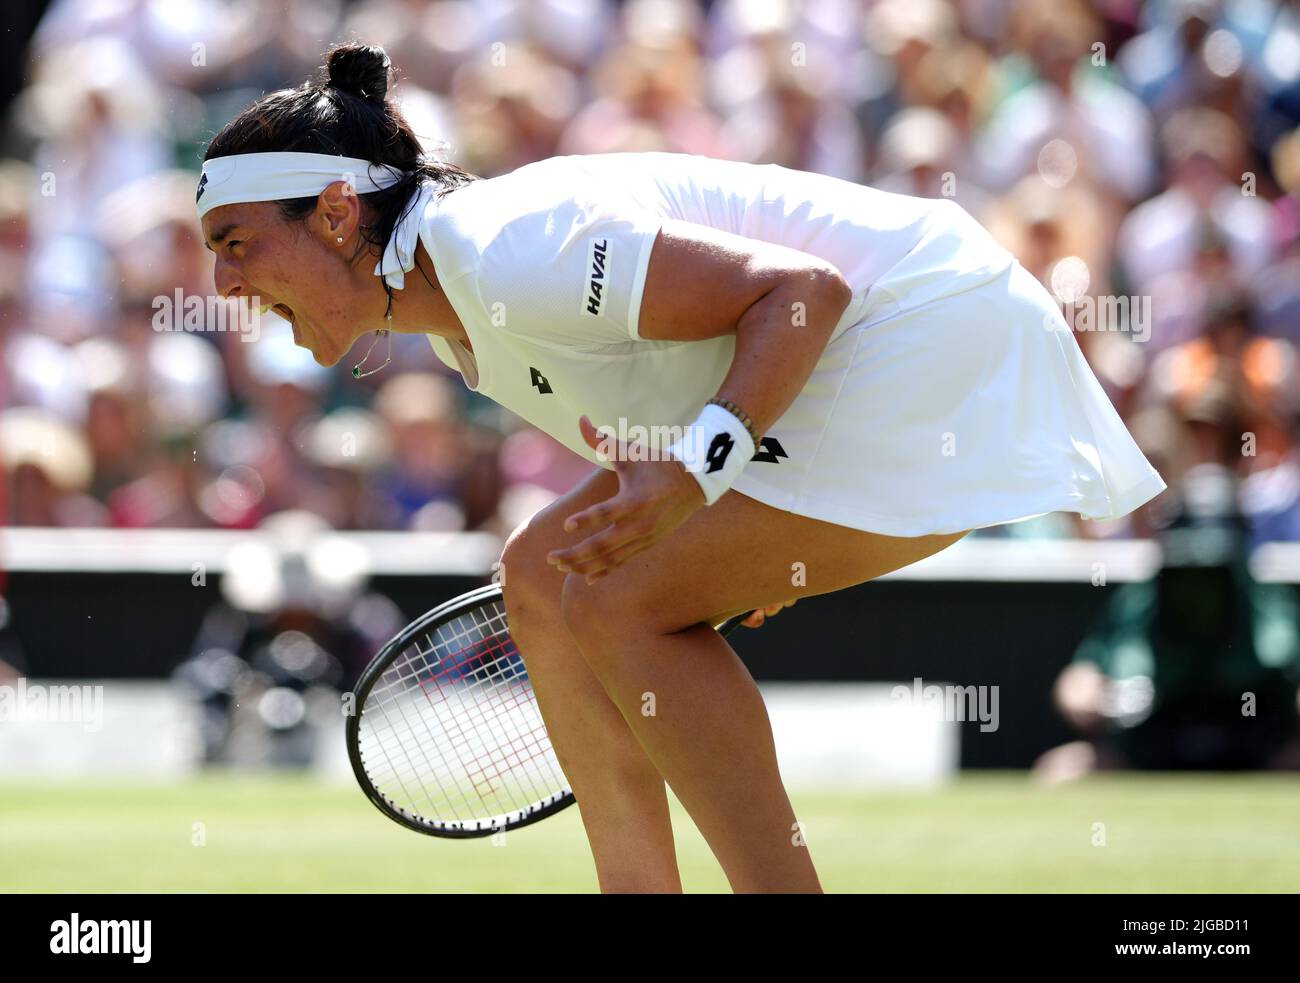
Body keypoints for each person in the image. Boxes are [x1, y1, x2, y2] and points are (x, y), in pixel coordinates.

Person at [196, 44, 1167, 893]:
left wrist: (712, 472)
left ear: (333, 214)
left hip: (938, 336)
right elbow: (682, 393)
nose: (220, 283)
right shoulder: (461, 316)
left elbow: (800, 292)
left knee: (620, 602)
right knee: (545, 571)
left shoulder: (501, 253)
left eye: (235, 244)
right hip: (864, 366)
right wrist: (752, 520)